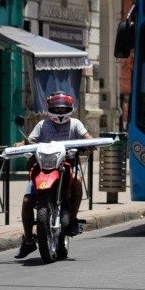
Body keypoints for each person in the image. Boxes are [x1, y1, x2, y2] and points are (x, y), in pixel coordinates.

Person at [15, 91, 93, 259]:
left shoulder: (75, 124)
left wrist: (90, 143)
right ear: (49, 109)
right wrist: (21, 144)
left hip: (66, 166)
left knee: (77, 181)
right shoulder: (42, 125)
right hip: (43, 167)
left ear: (70, 108)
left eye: (62, 108)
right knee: (27, 200)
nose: (59, 112)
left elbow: (87, 137)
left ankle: (72, 219)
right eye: (56, 109)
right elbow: (30, 141)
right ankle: (28, 240)